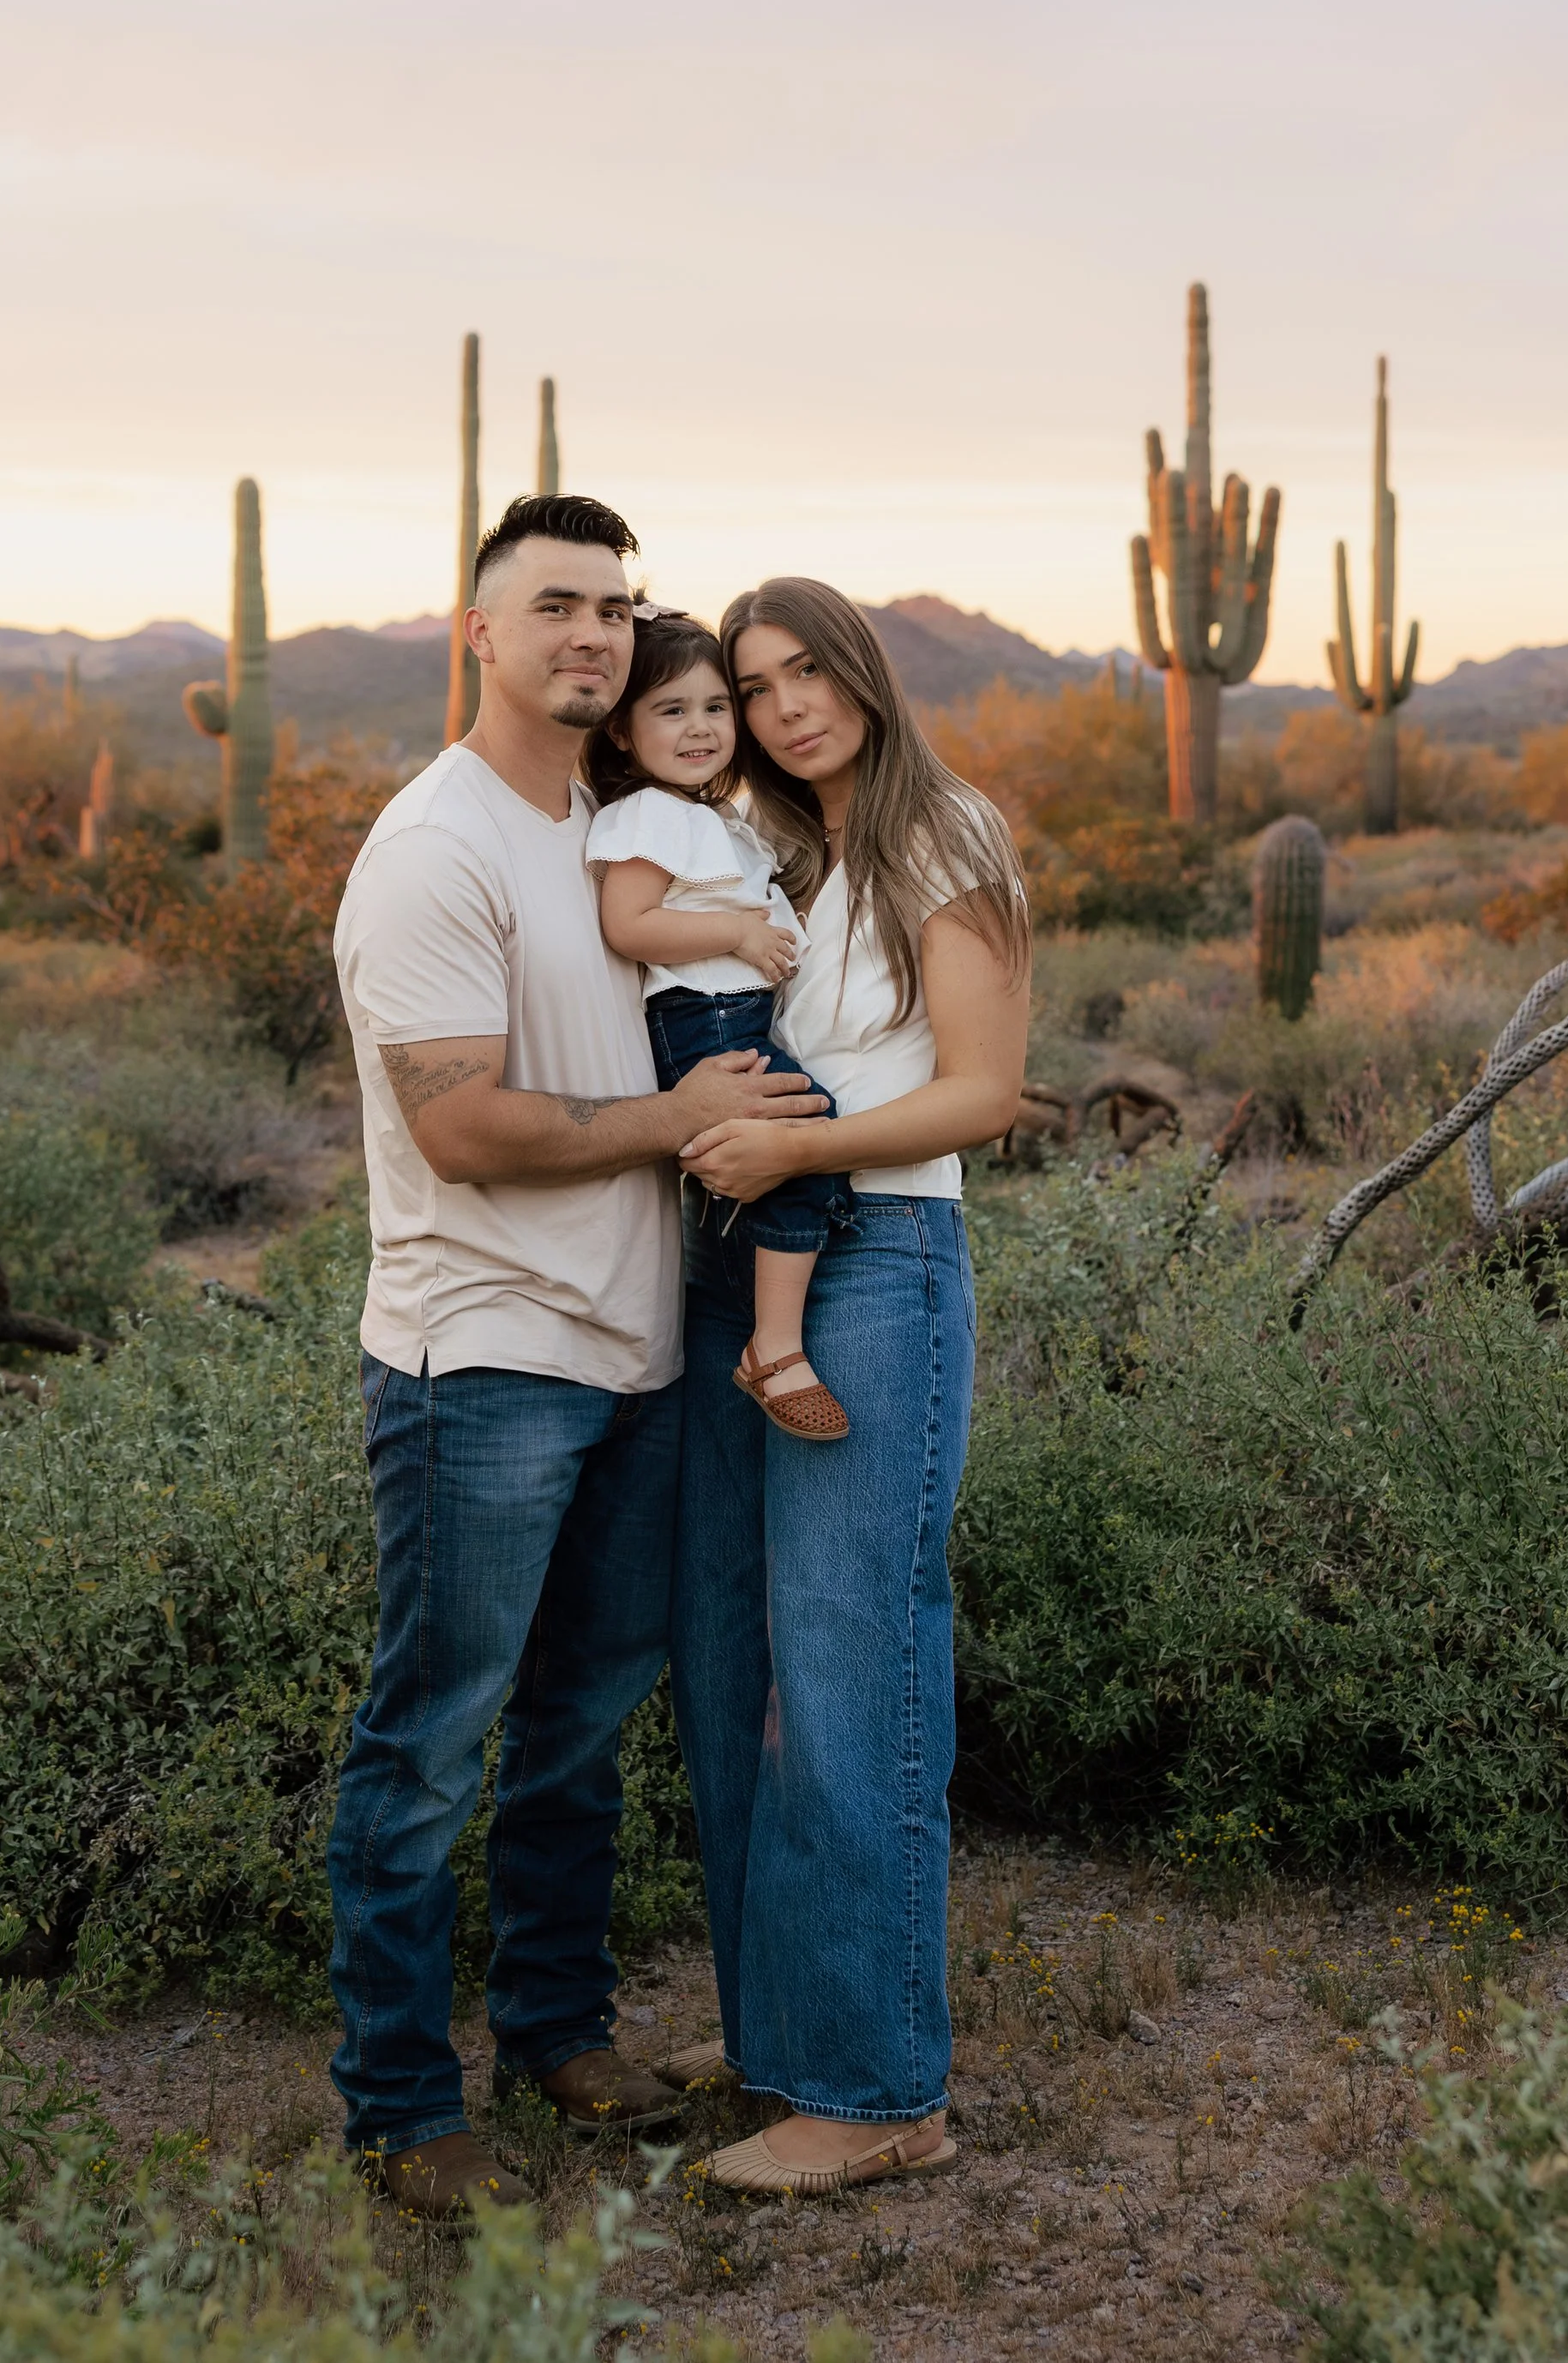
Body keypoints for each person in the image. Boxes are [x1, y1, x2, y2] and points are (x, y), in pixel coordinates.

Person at [324, 493, 828, 2222]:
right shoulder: (432, 847)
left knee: (576, 1730)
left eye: (614, 608)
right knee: (434, 1737)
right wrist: (679, 1118)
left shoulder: (614, 823)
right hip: (484, 1358)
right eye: (554, 605)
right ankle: (400, 2104)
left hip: (631, 1352)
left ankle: (553, 2030)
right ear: (478, 632)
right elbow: (461, 1126)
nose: (593, 634)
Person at [657, 576, 1030, 2194]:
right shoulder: (769, 851)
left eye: (813, 670)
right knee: (747, 1672)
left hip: (880, 1268)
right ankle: (781, 2034)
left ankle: (883, 2096)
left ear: (865, 670)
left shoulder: (943, 831)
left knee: (853, 1666)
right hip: (754, 1261)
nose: (790, 703)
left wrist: (798, 1144)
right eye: (756, 684)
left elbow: (985, 1092)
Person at [586, 603, 853, 1441]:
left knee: (782, 1150)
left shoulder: (710, 814)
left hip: (732, 1014)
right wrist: (738, 931)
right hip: (702, 1020)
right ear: (624, 732)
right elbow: (628, 924)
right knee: (806, 1134)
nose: (700, 728)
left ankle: (764, 1327)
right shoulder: (645, 816)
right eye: (671, 711)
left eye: (714, 707)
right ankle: (774, 1349)